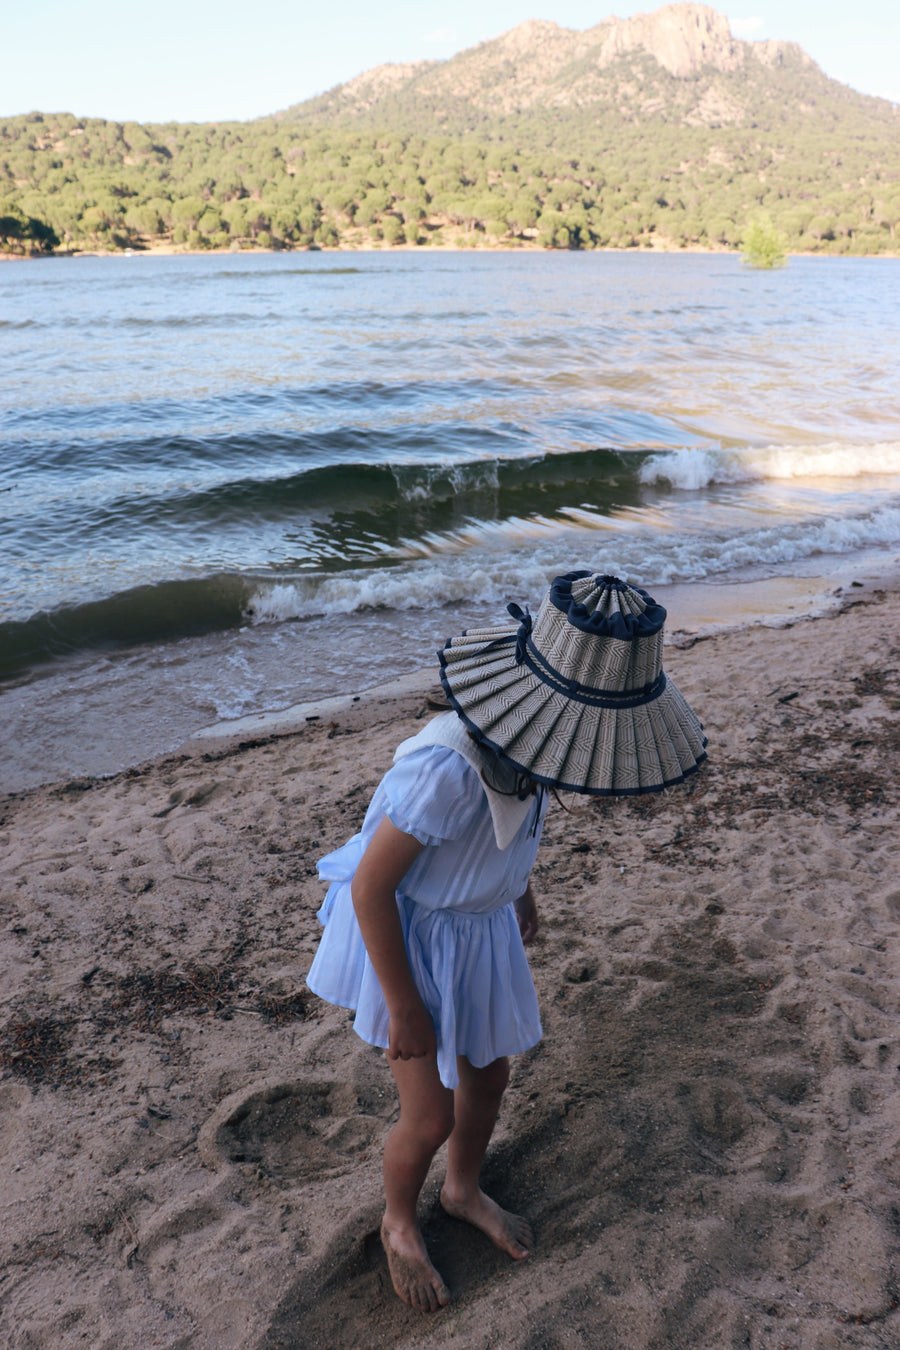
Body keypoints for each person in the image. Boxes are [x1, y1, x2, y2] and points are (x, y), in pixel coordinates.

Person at [306, 571, 707, 1311]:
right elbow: (371, 887)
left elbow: (508, 831)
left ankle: (461, 1190)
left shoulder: (535, 754)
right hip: (411, 939)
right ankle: (399, 1220)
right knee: (427, 1115)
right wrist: (405, 1006)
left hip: (477, 929)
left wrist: (518, 888)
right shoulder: (446, 771)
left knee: (489, 1078)